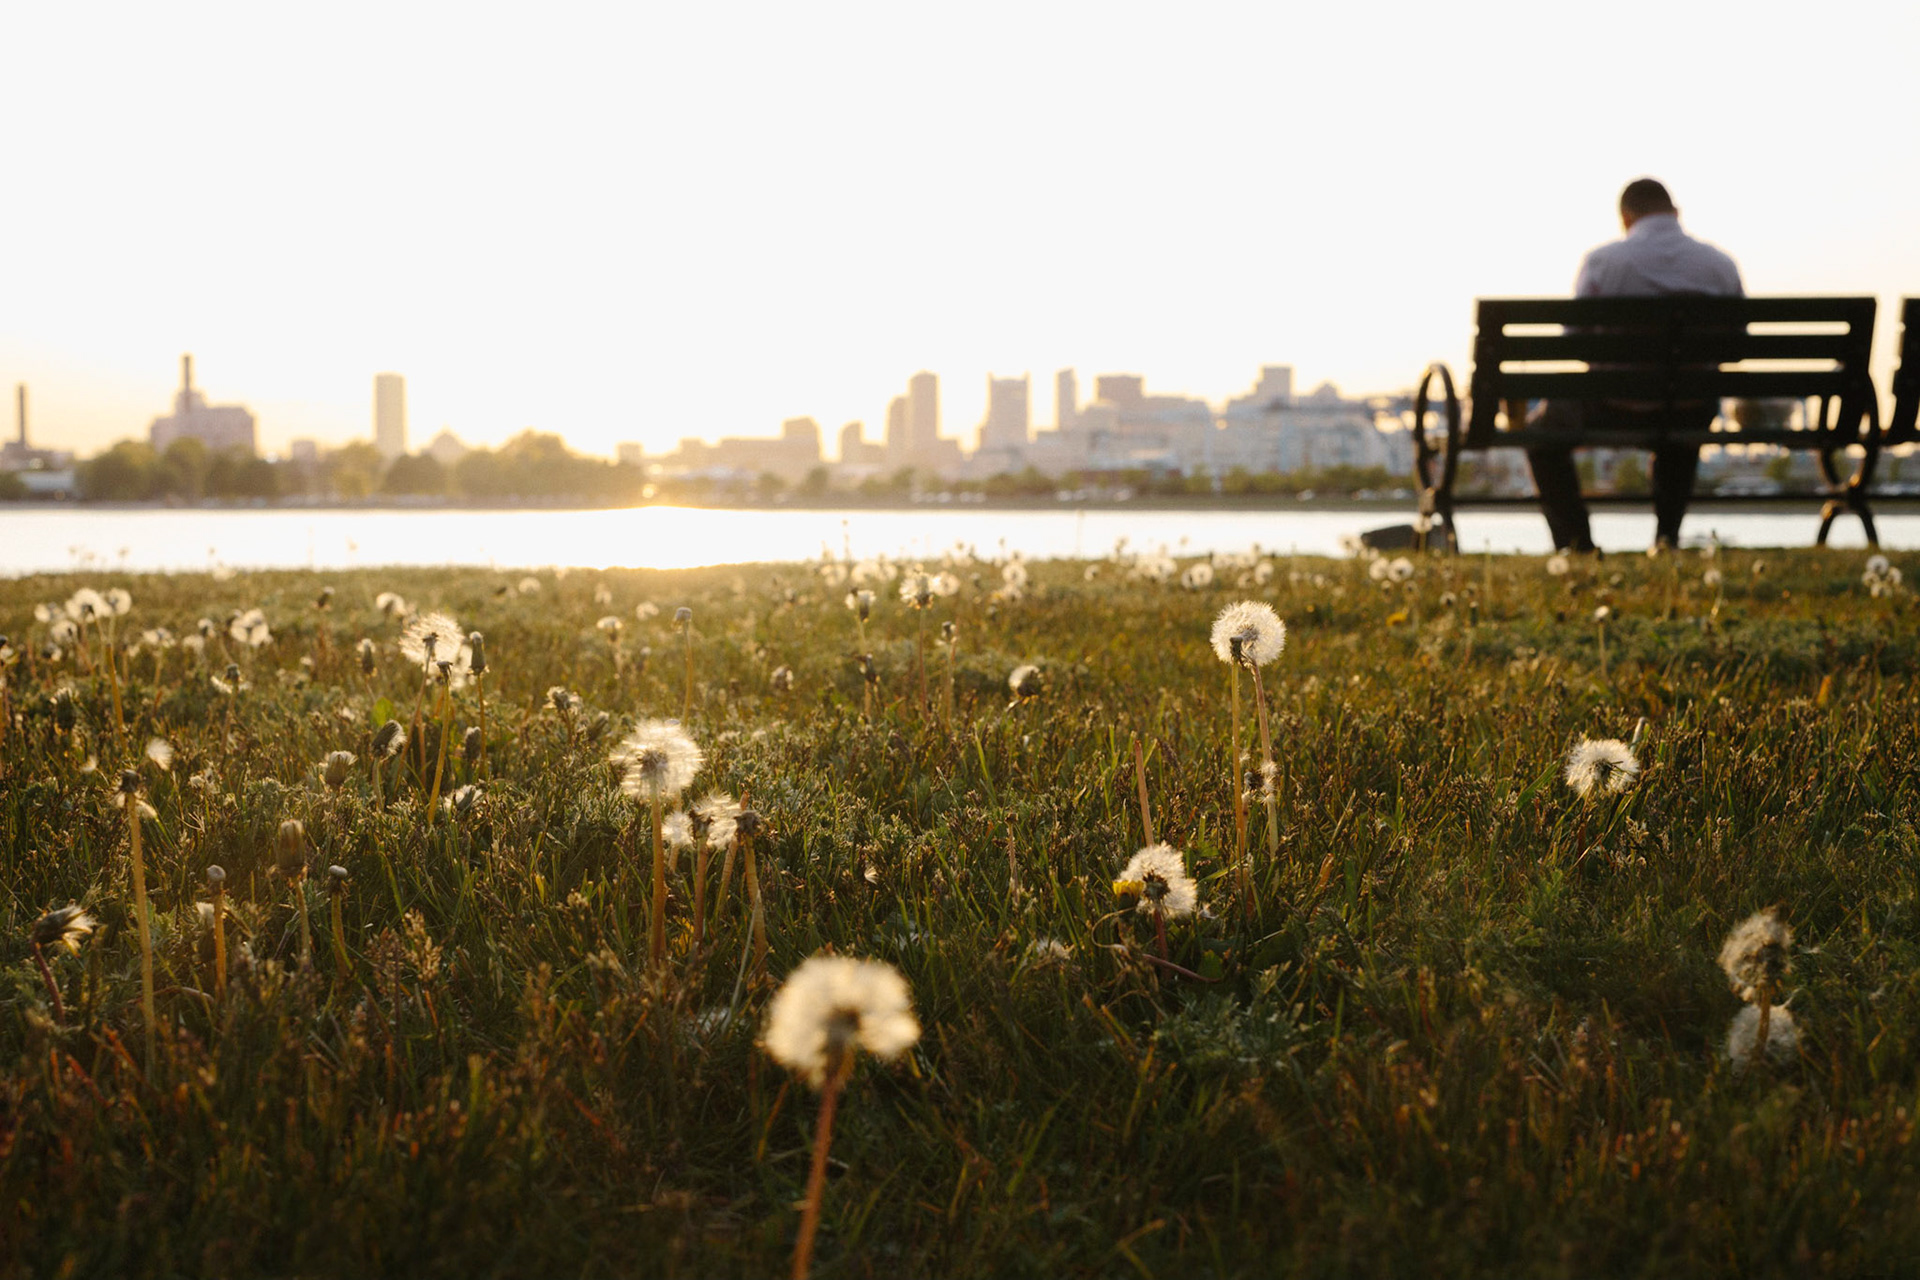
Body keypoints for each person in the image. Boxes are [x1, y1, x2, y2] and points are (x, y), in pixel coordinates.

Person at [1526, 178, 1744, 551]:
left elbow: (1573, 341)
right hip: (1690, 409)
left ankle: (1577, 543)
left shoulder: (1604, 261)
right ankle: (1666, 539)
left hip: (1612, 406)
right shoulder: (1719, 264)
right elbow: (1737, 344)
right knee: (1684, 418)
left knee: (1539, 434)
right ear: (1675, 213)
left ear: (1626, 217)